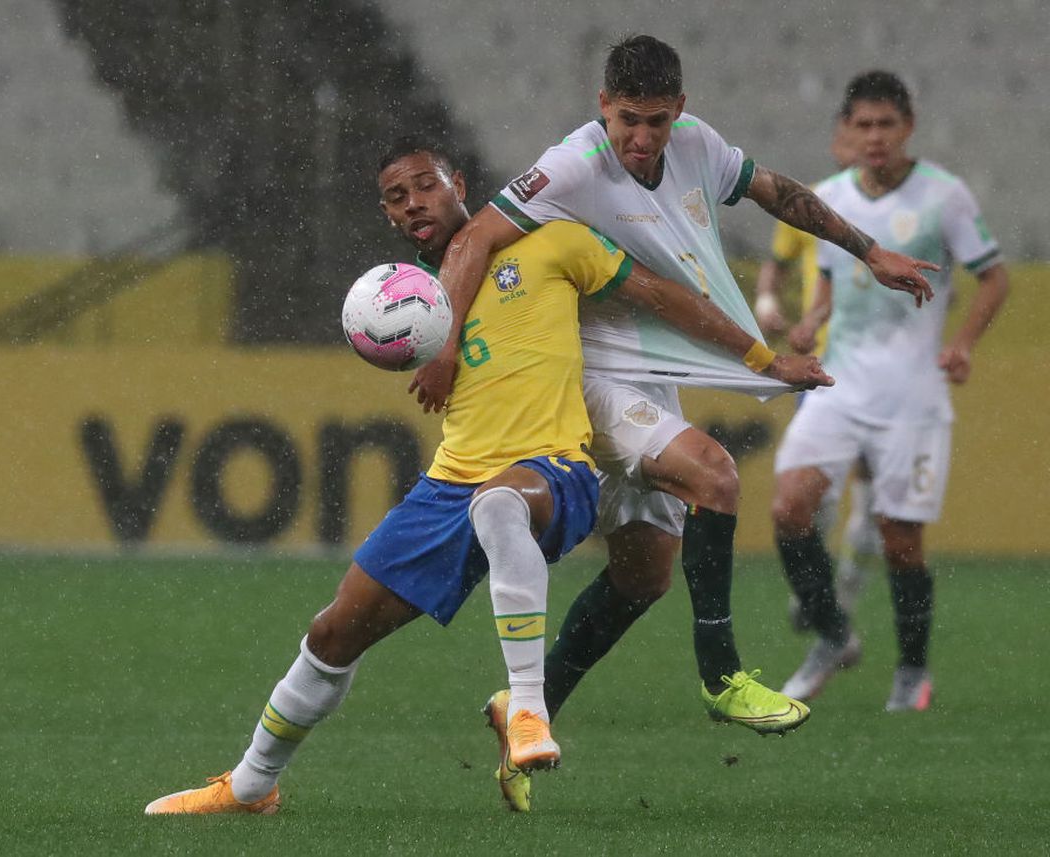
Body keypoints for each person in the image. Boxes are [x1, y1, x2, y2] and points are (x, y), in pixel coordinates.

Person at [143, 139, 827, 815]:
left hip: (551, 468)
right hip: (451, 481)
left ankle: (530, 708)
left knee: (503, 504)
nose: (414, 203)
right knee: (332, 633)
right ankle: (251, 785)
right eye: (396, 197)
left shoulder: (550, 243)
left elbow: (661, 295)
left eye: (425, 185)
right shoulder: (407, 297)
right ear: (386, 216)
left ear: (459, 183)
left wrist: (764, 360)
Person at [412, 34, 936, 811]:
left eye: (657, 120)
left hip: (657, 376)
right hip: (590, 372)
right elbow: (474, 237)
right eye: (628, 119)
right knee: (715, 474)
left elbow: (778, 193)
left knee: (643, 576)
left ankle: (527, 708)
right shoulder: (571, 165)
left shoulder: (698, 149)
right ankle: (722, 673)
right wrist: (445, 338)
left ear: (680, 112)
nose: (642, 138)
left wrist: (867, 251)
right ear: (602, 108)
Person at [772, 71, 1009, 711]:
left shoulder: (945, 197)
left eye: (887, 125)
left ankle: (911, 672)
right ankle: (832, 635)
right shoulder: (827, 197)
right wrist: (812, 321)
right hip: (838, 383)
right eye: (863, 125)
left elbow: (993, 278)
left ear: (908, 128)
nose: (875, 138)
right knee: (789, 509)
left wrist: (960, 345)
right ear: (845, 133)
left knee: (901, 543)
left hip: (911, 394)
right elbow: (829, 280)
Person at [754, 119, 883, 629]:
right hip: (828, 372)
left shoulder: (905, 215)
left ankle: (843, 597)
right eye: (855, 136)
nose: (866, 147)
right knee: (816, 496)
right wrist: (767, 299)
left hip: (885, 377)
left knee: (877, 507)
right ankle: (819, 590)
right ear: (837, 143)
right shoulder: (812, 207)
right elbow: (777, 264)